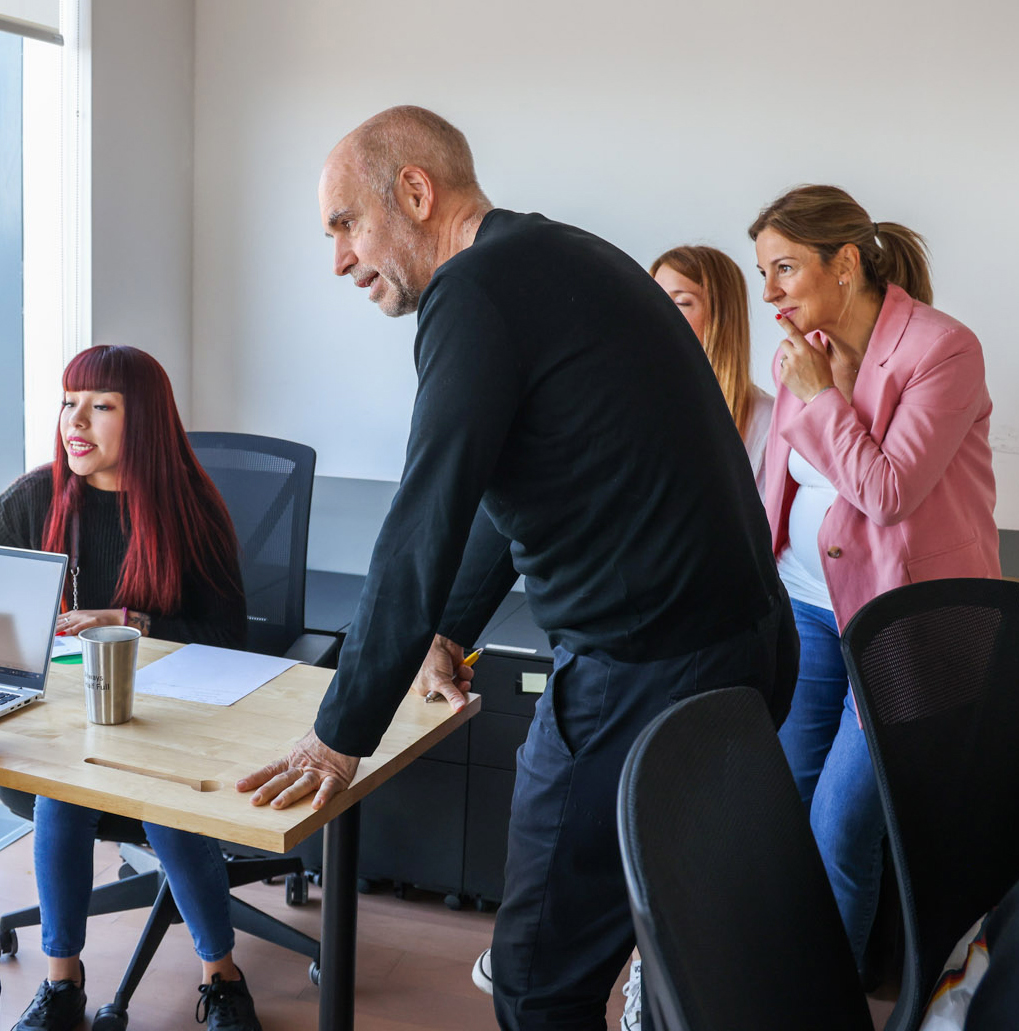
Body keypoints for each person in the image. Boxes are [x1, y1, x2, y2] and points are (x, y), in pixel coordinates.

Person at [236, 106, 797, 1031]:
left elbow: (425, 516)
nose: (337, 258)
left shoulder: (474, 294)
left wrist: (339, 731)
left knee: (534, 977)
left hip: (641, 675)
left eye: (345, 223)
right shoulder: (561, 258)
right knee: (667, 934)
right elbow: (510, 486)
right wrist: (449, 632)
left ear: (415, 193)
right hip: (744, 649)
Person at [0, 344, 259, 1031]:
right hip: (73, 728)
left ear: (144, 419)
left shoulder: (191, 511)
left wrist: (132, 620)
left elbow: (230, 640)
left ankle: (221, 975)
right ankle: (61, 984)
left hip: (178, 724)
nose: (77, 421)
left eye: (101, 406)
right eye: (70, 402)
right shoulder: (37, 498)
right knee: (65, 789)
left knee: (156, 790)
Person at [751, 184, 1000, 968]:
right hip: (807, 608)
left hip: (907, 630)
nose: (769, 294)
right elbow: (781, 479)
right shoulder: (804, 349)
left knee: (840, 825)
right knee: (784, 804)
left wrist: (821, 397)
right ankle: (772, 993)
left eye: (784, 269)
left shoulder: (943, 350)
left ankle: (821, 1007)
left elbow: (888, 492)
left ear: (846, 263)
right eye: (763, 273)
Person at [651, 244, 774, 488]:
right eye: (654, 300)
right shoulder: (633, 404)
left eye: (681, 303)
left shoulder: (768, 420)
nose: (658, 314)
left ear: (721, 315)